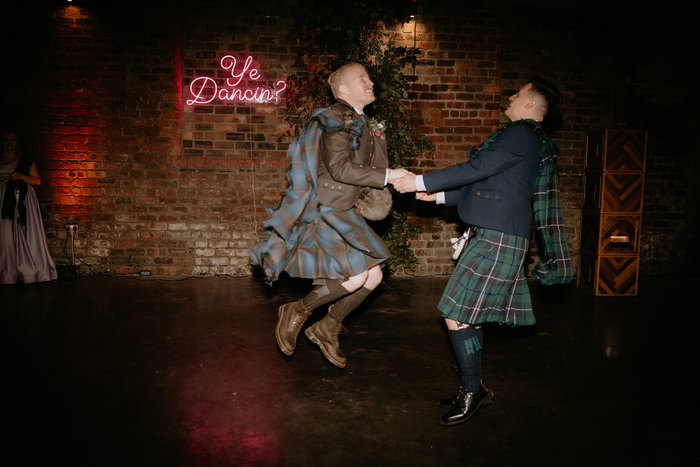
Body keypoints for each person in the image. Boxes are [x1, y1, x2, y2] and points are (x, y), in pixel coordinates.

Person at [392, 77, 573, 425]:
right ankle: (473, 388)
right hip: (494, 234)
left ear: (531, 105)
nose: (511, 96)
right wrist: (440, 196)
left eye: (517, 94)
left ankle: (473, 391)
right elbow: (488, 183)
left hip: (499, 238)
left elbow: (476, 168)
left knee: (455, 313)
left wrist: (418, 181)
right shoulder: (524, 140)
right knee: (466, 315)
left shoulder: (521, 134)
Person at [251, 63, 406, 368]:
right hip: (327, 208)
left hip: (345, 208)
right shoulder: (336, 118)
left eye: (370, 77)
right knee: (358, 275)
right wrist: (388, 175)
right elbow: (339, 168)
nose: (370, 82)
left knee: (373, 276)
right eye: (363, 78)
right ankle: (297, 310)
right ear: (343, 90)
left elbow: (368, 171)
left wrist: (392, 178)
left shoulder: (365, 122)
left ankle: (326, 326)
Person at [1, 129, 57, 284]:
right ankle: (7, 271)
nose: (10, 143)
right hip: (2, 202)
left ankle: (27, 268)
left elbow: (37, 180)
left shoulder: (25, 160)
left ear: (17, 143)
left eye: (13, 140)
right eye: (6, 139)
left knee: (25, 232)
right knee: (5, 234)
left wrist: (21, 177)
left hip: (22, 199)